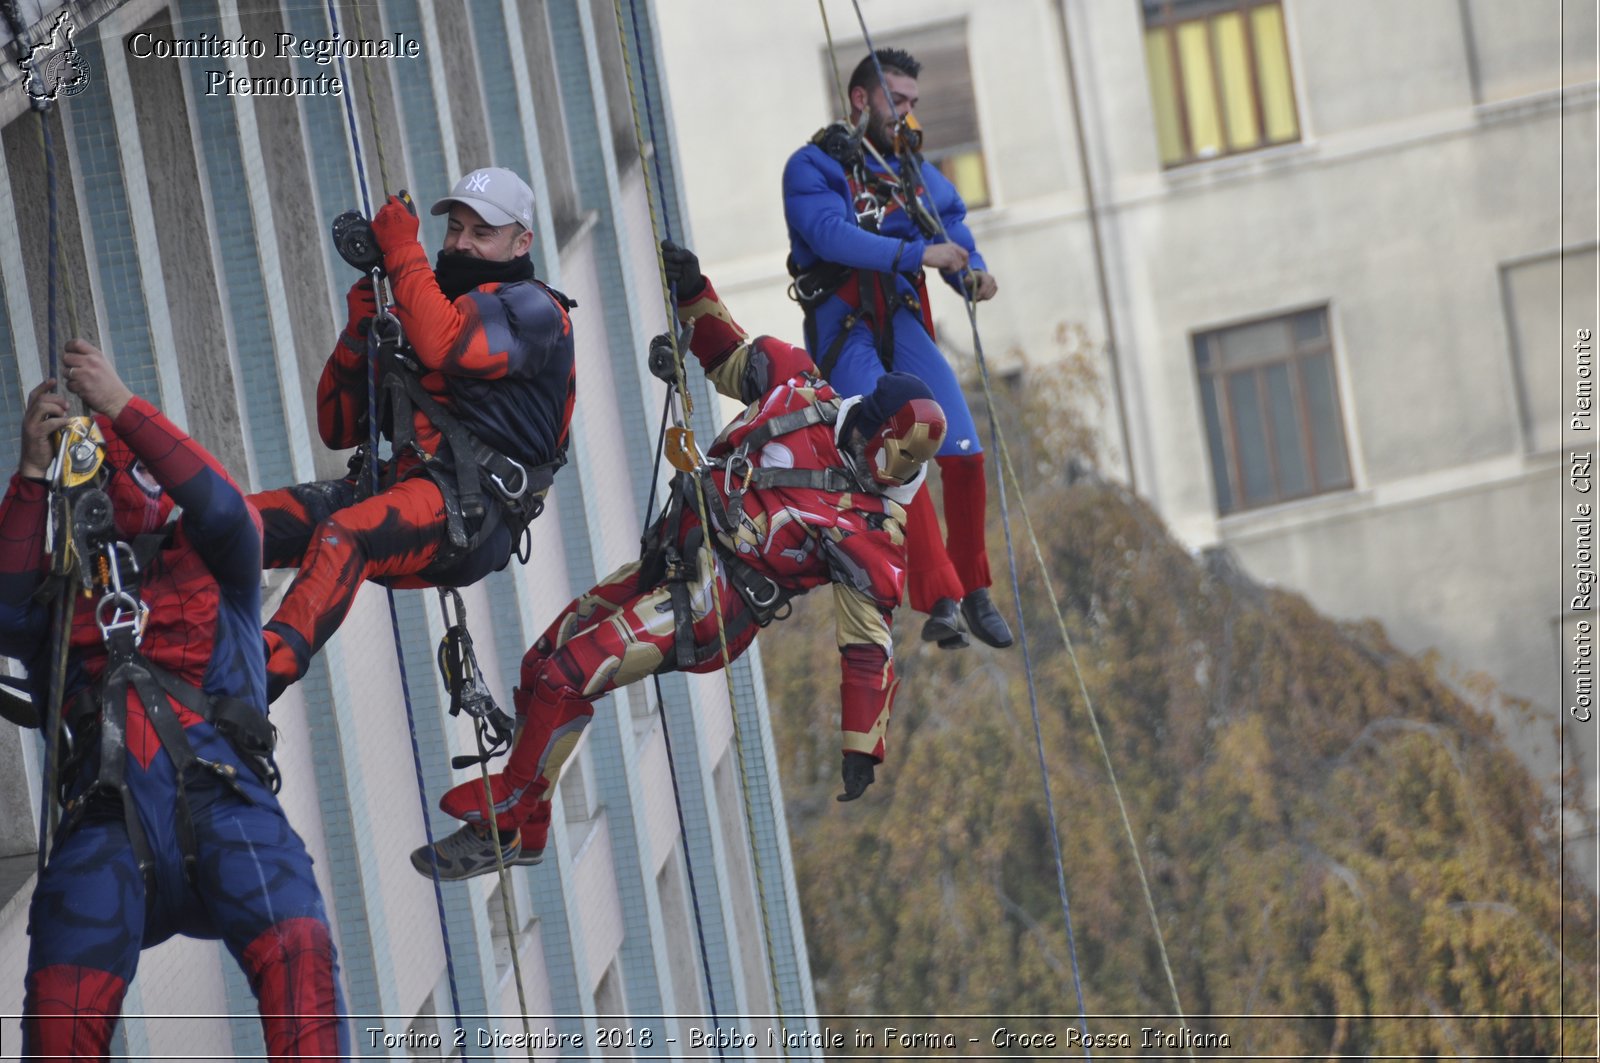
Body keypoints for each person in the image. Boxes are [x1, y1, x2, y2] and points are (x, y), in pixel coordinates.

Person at [411, 242, 944, 879]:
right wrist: (693, 288)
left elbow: (868, 646)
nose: (885, 476)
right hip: (672, 551)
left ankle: (506, 815)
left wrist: (863, 745)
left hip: (713, 604)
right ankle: (528, 827)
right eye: (885, 456)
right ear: (870, 423)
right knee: (540, 665)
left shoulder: (872, 531)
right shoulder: (798, 385)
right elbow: (727, 355)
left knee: (567, 675)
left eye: (902, 471)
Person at [0, 341, 346, 1059]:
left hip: (225, 800)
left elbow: (225, 508)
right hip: (105, 823)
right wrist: (33, 471)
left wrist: (122, 405)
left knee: (298, 951)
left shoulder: (218, 558)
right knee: (59, 1016)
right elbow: (4, 613)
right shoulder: (58, 602)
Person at [251, 166, 577, 702]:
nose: (462, 243)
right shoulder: (415, 301)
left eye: (482, 233)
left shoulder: (535, 309)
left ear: (522, 242)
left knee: (343, 534)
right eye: (455, 230)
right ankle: (148, 585)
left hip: (472, 512)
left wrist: (403, 248)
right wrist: (358, 335)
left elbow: (447, 345)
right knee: (239, 523)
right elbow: (337, 430)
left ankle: (259, 675)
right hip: (399, 492)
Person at [782, 47, 1012, 651]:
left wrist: (973, 271)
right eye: (897, 100)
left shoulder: (906, 172)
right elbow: (830, 235)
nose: (907, 113)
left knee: (962, 448)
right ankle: (939, 598)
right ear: (862, 99)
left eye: (914, 102)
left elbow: (950, 224)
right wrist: (917, 256)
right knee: (903, 445)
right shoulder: (813, 168)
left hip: (902, 318)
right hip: (846, 325)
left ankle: (973, 587)